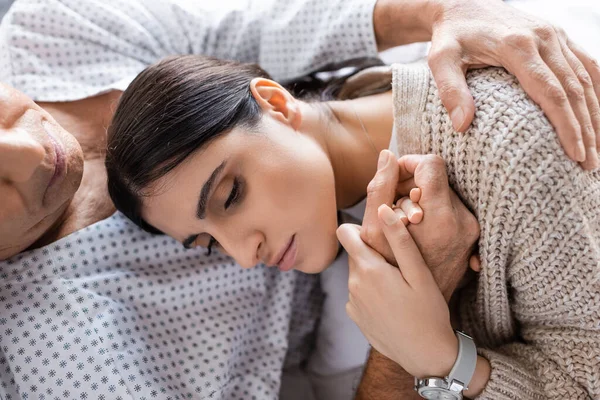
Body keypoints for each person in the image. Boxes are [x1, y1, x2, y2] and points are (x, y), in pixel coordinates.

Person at [1, 0, 599, 398]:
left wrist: (451, 10)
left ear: (279, 103)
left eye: (231, 195)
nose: (27, 155)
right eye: (206, 243)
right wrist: (413, 345)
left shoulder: (511, 152)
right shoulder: (63, 357)